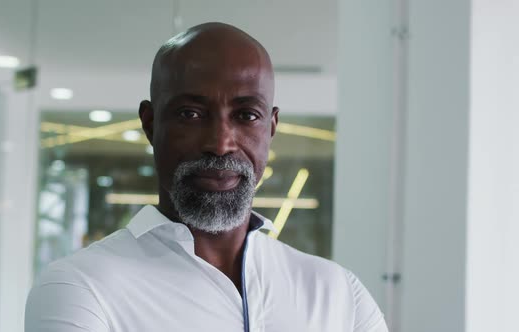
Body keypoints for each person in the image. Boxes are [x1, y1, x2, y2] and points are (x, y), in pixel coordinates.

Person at [25, 22, 388, 332]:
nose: (220, 144)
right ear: (150, 124)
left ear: (271, 127)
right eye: (191, 114)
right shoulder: (80, 287)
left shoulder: (339, 294)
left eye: (246, 115)